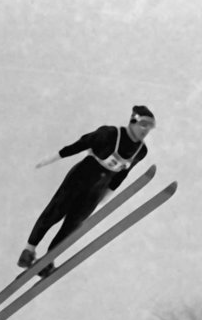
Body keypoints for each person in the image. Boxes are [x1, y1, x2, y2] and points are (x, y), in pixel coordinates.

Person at [20, 105, 156, 277]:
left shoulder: (141, 151)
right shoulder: (110, 134)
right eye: (143, 124)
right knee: (56, 211)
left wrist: (107, 194)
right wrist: (52, 158)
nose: (146, 130)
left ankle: (48, 259)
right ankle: (28, 250)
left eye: (150, 126)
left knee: (73, 224)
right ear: (133, 121)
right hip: (81, 176)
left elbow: (123, 174)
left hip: (98, 187)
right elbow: (79, 145)